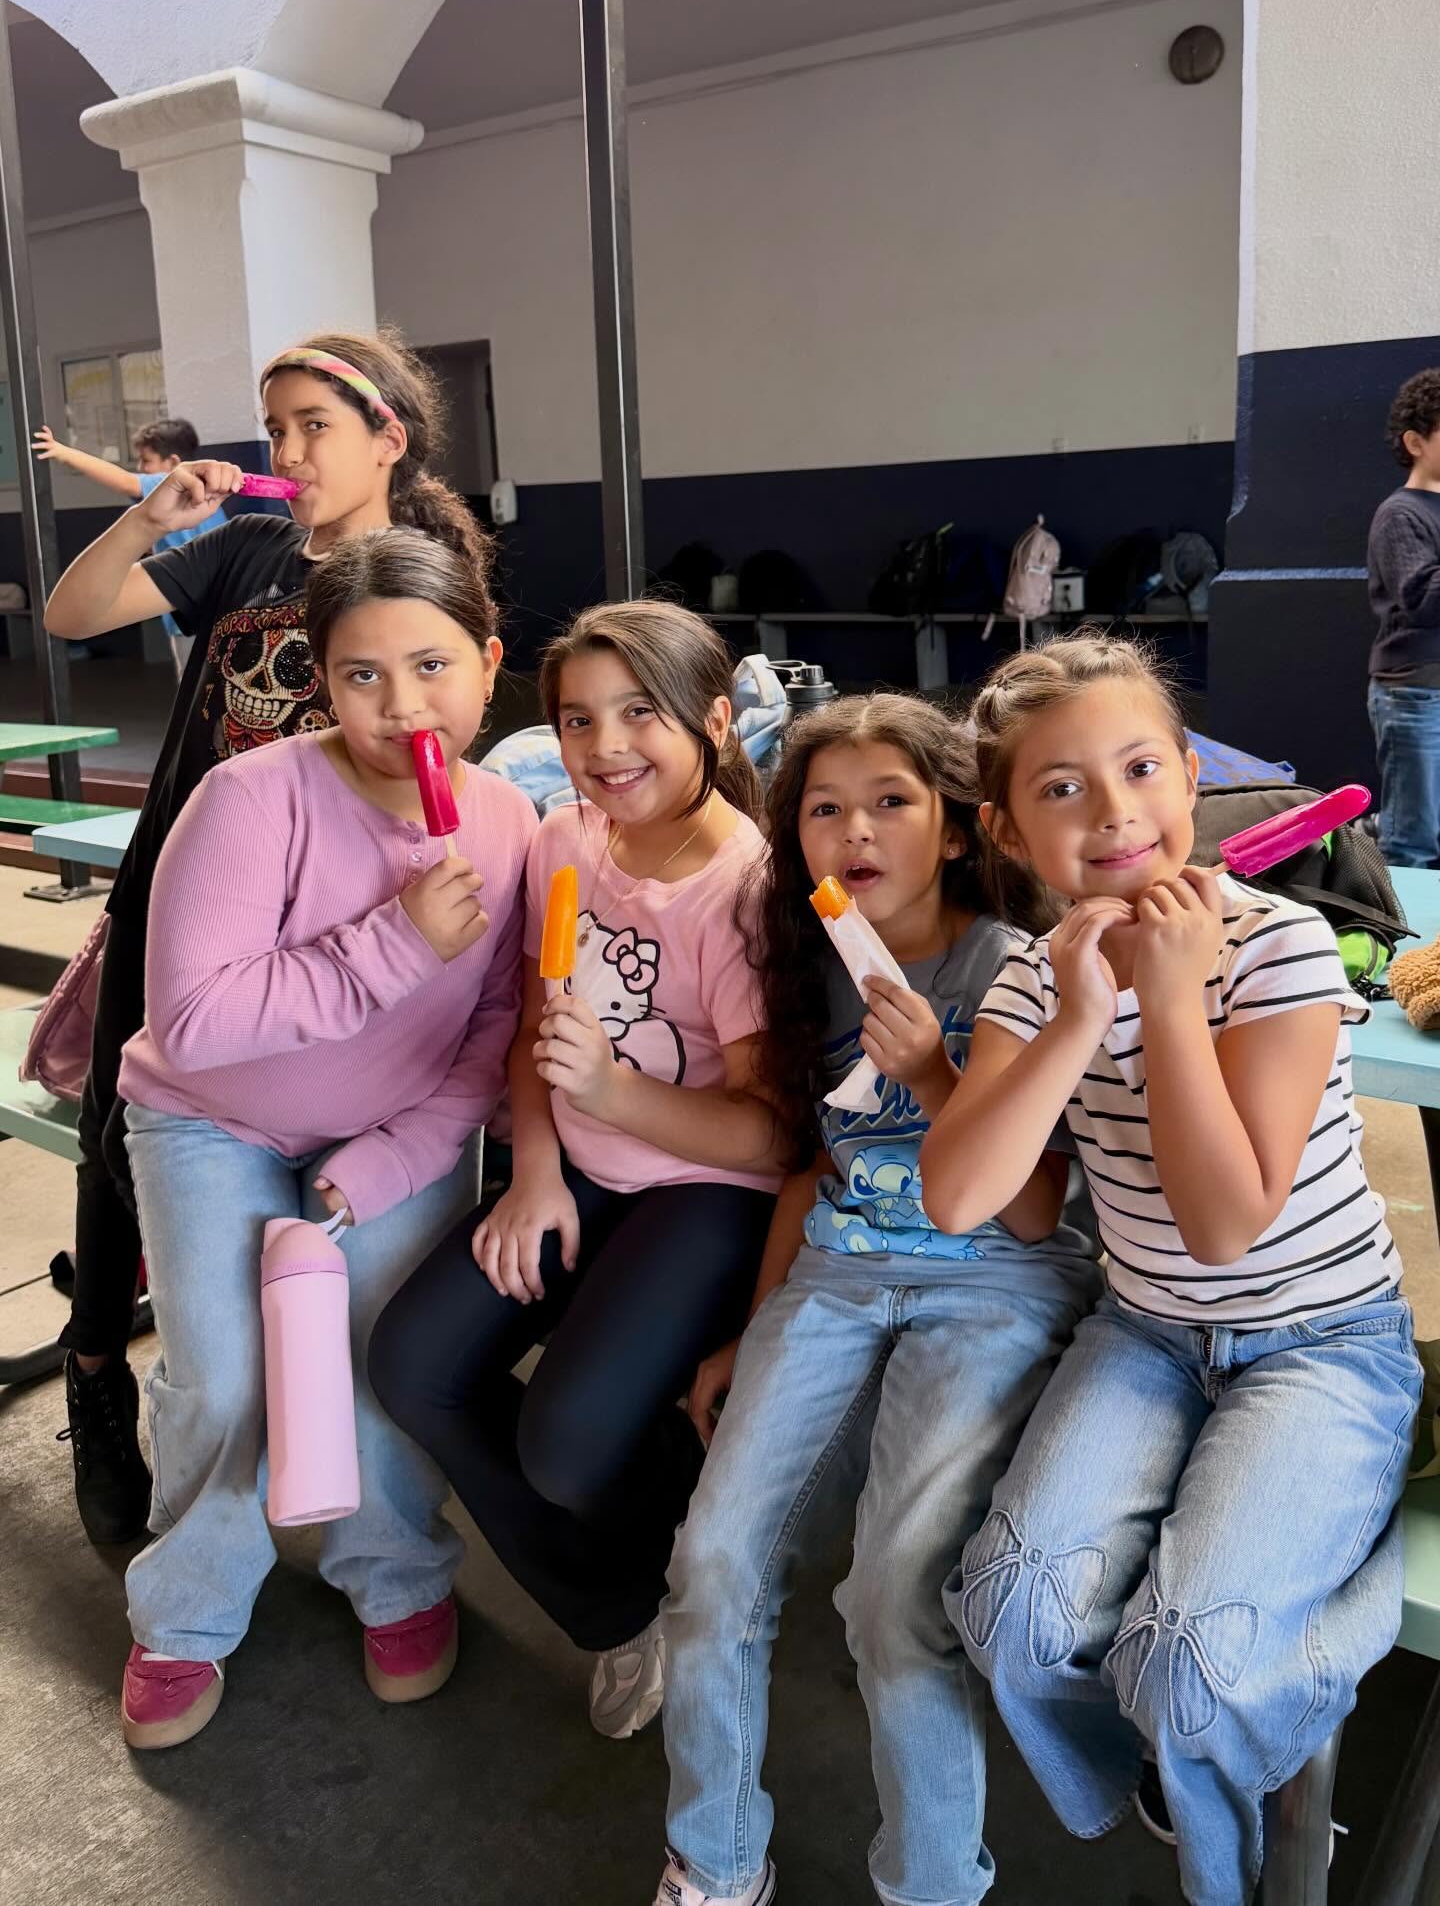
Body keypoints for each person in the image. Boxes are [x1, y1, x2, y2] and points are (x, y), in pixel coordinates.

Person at [922, 634, 1421, 1906]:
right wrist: (1085, 1011)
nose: (1113, 810)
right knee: (1011, 1615)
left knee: (1190, 1659)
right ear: (1008, 829)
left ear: (1191, 780)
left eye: (1141, 767)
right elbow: (965, 1196)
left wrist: (1177, 997)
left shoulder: (1280, 943)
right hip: (1146, 1332)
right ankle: (1183, 1754)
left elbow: (1225, 1223)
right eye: (1061, 787)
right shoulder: (1038, 974)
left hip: (1322, 1340)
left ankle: (1244, 1741)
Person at [43, 328, 489, 1547]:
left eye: (313, 426)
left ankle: (323, 1433)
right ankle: (97, 1370)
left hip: (345, 920)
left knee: (324, 1150)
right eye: (275, 426)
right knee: (117, 1137)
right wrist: (147, 519)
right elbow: (75, 612)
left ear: (389, 438)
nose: (286, 451)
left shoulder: (426, 570)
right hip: (185, 900)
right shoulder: (245, 548)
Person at [653, 695, 1100, 1906]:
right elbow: (814, 1170)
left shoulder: (1009, 966)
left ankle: (932, 1884)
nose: (855, 829)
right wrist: (754, 1326)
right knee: (713, 1563)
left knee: (897, 1594)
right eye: (824, 808)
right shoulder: (809, 970)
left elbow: (1037, 1211)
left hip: (995, 1282)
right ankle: (715, 1858)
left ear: (956, 829)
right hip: (840, 1274)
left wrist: (937, 1073)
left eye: (891, 801)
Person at [115, 527, 532, 1749]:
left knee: (379, 1358)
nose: (403, 706)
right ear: (322, 678)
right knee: (225, 1374)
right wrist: (395, 940)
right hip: (212, 1118)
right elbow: (193, 1023)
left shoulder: (509, 822)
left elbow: (491, 1033)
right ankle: (186, 1608)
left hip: (395, 1126)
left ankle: (396, 1572)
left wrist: (393, 1158)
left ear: (488, 660)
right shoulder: (249, 798)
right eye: (363, 674)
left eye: (433, 665)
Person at [369, 601, 783, 1741]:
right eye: (578, 720)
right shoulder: (566, 840)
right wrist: (535, 1172)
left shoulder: (744, 889)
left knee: (563, 1444)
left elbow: (770, 1136)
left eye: (640, 713)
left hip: (707, 1189)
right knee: (413, 1363)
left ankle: (699, 1539)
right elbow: (535, 1026)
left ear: (714, 719)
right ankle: (619, 1607)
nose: (605, 747)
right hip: (580, 1168)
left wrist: (612, 1094)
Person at [33, 416, 226, 677]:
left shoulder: (167, 481)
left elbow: (124, 481)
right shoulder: (211, 501)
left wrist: (63, 453)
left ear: (173, 464)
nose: (141, 468)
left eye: (146, 461)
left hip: (193, 618)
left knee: (193, 687)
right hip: (219, 613)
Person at [1367, 366, 1440, 866]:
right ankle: (1400, 918)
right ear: (1416, 442)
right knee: (1413, 839)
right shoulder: (1400, 514)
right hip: (1415, 694)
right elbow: (1424, 600)